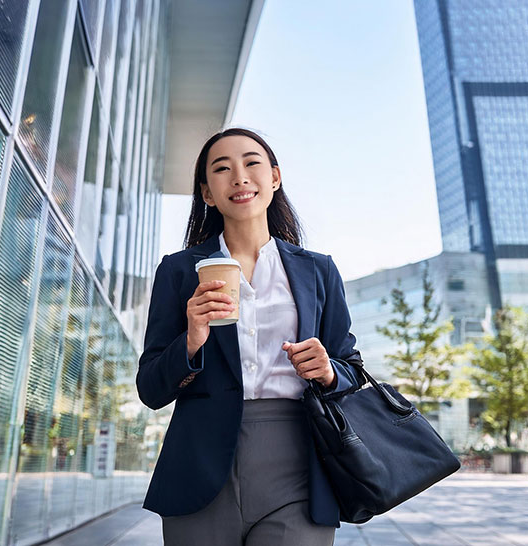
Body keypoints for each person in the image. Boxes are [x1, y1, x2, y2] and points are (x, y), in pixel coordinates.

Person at [136, 127, 365, 545]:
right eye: (222, 169)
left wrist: (328, 371)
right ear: (207, 193)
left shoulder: (318, 270)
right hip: (199, 463)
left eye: (251, 163)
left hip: (299, 461)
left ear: (275, 178)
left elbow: (351, 368)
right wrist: (191, 340)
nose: (239, 177)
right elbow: (150, 388)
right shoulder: (178, 270)